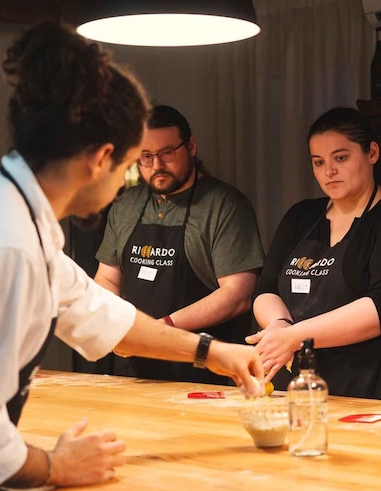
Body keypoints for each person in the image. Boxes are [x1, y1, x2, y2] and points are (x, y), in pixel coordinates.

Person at [0, 22, 263, 491]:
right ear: (101, 159)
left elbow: (102, 314)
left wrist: (213, 353)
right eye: (128, 165)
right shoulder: (6, 247)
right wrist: (58, 467)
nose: (134, 177)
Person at [247, 107, 381, 400]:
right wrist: (279, 325)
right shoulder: (300, 217)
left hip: (368, 394)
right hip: (293, 389)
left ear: (372, 153)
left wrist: (294, 337)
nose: (329, 171)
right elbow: (265, 287)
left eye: (341, 158)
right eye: (318, 162)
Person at [94, 105, 264, 385]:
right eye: (146, 157)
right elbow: (107, 277)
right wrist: (114, 323)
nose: (157, 166)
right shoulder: (125, 205)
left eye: (167, 153)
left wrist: (162, 329)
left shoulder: (224, 205)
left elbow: (237, 295)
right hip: (133, 371)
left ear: (191, 146)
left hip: (205, 372)